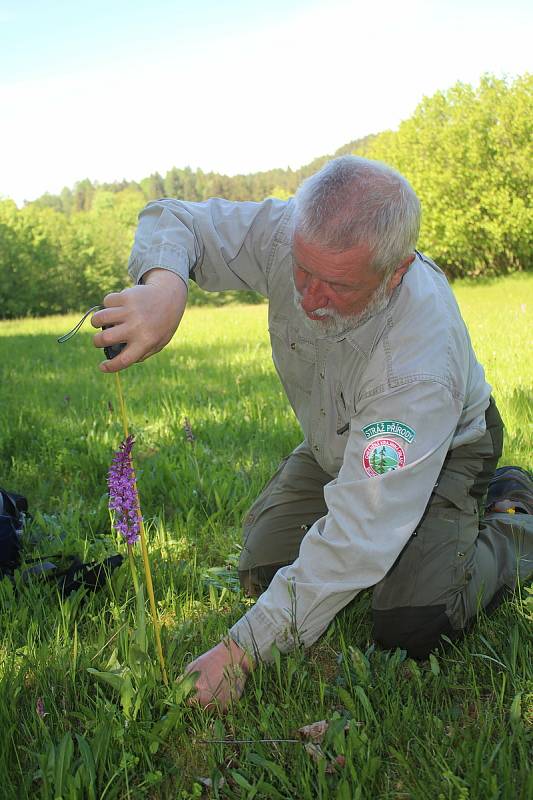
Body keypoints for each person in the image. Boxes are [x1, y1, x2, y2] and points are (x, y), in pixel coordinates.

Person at [91, 156, 532, 710]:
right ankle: (419, 537)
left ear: (395, 272)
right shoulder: (288, 232)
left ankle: (512, 518)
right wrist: (164, 290)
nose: (308, 296)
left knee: (412, 623)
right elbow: (177, 218)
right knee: (264, 569)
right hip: (339, 437)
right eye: (302, 269)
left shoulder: (417, 365)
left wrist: (240, 651)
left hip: (447, 448)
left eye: (338, 285)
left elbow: (357, 535)